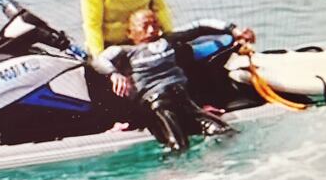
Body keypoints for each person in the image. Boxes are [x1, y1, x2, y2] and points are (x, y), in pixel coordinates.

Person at [93, 9, 256, 152]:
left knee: (226, 132)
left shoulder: (168, 41)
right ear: (130, 32)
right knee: (179, 145)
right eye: (144, 26)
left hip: (185, 102)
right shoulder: (126, 51)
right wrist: (114, 74)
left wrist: (234, 30)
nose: (151, 30)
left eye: (155, 24)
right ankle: (170, 177)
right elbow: (100, 60)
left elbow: (200, 26)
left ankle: (215, 162)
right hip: (159, 105)